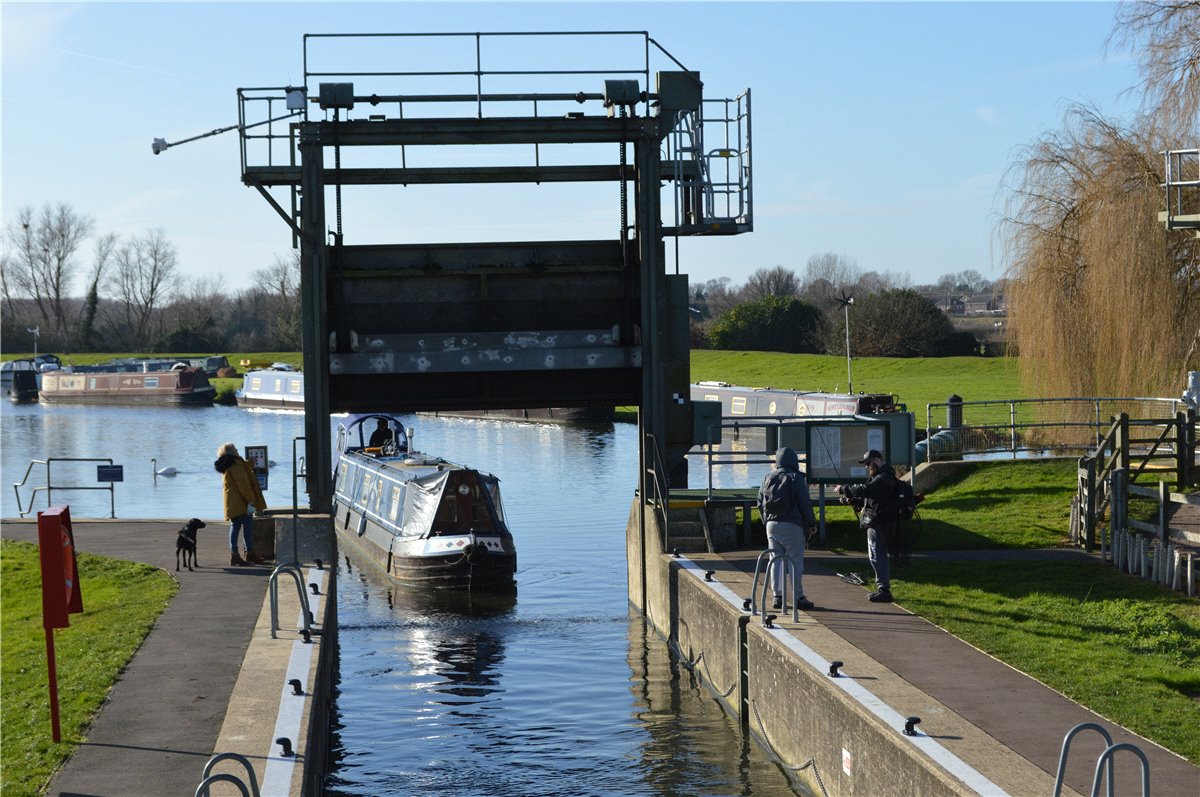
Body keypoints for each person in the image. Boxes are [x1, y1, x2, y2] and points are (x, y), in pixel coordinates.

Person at [757, 447, 818, 611]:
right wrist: (812, 524)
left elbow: (759, 502)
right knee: (795, 561)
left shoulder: (767, 477)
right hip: (793, 525)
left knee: (774, 560)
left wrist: (766, 521)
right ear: (793, 461)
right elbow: (805, 504)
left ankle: (777, 596)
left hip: (771, 526)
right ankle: (798, 596)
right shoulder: (796, 478)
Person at [837, 449, 898, 603]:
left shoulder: (883, 477)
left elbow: (866, 490)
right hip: (883, 521)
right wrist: (854, 501)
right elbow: (873, 499)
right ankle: (882, 588)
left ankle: (883, 590)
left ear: (877, 461)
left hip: (880, 523)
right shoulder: (884, 476)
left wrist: (844, 489)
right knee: (878, 556)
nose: (867, 467)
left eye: (868, 463)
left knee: (877, 556)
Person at [214, 442, 268, 566]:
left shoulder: (229, 464)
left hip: (233, 503)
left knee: (235, 527)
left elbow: (243, 469)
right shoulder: (235, 464)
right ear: (232, 452)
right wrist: (252, 500)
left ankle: (235, 554)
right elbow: (243, 484)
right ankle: (249, 553)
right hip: (242, 503)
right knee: (247, 528)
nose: (237, 450)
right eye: (235, 449)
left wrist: (250, 462)